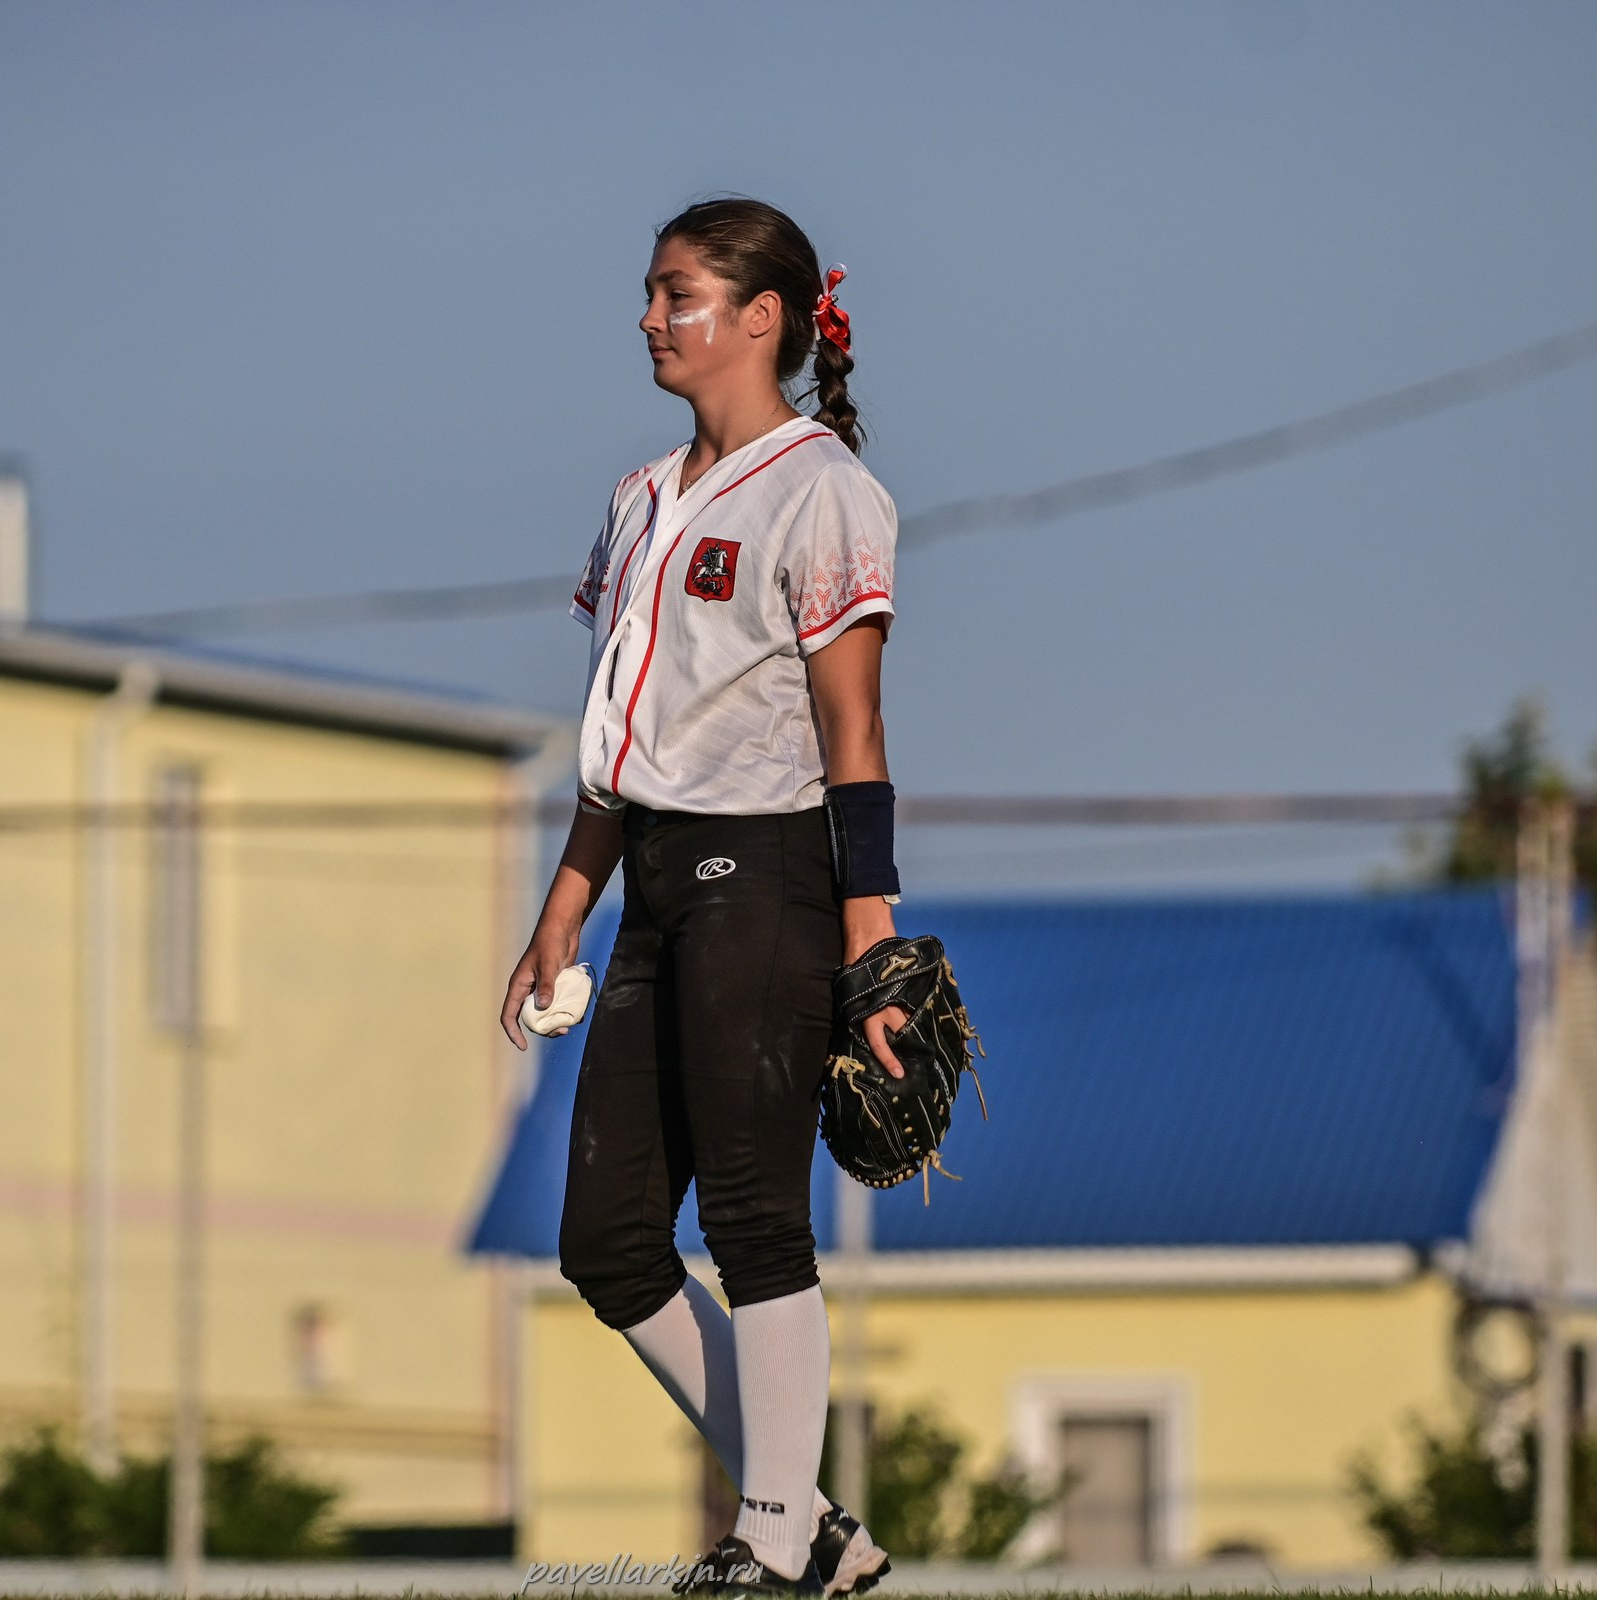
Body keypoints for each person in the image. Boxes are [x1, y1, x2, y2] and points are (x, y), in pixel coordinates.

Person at [499, 197, 908, 1598]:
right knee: (609, 1241)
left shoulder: (822, 490)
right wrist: (567, 901)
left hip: (771, 874)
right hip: (658, 884)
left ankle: (774, 1537)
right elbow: (625, 731)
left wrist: (870, 934)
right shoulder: (637, 498)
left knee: (751, 1212)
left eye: (678, 293)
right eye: (652, 292)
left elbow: (855, 729)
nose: (650, 317)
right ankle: (819, 1528)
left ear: (762, 318)